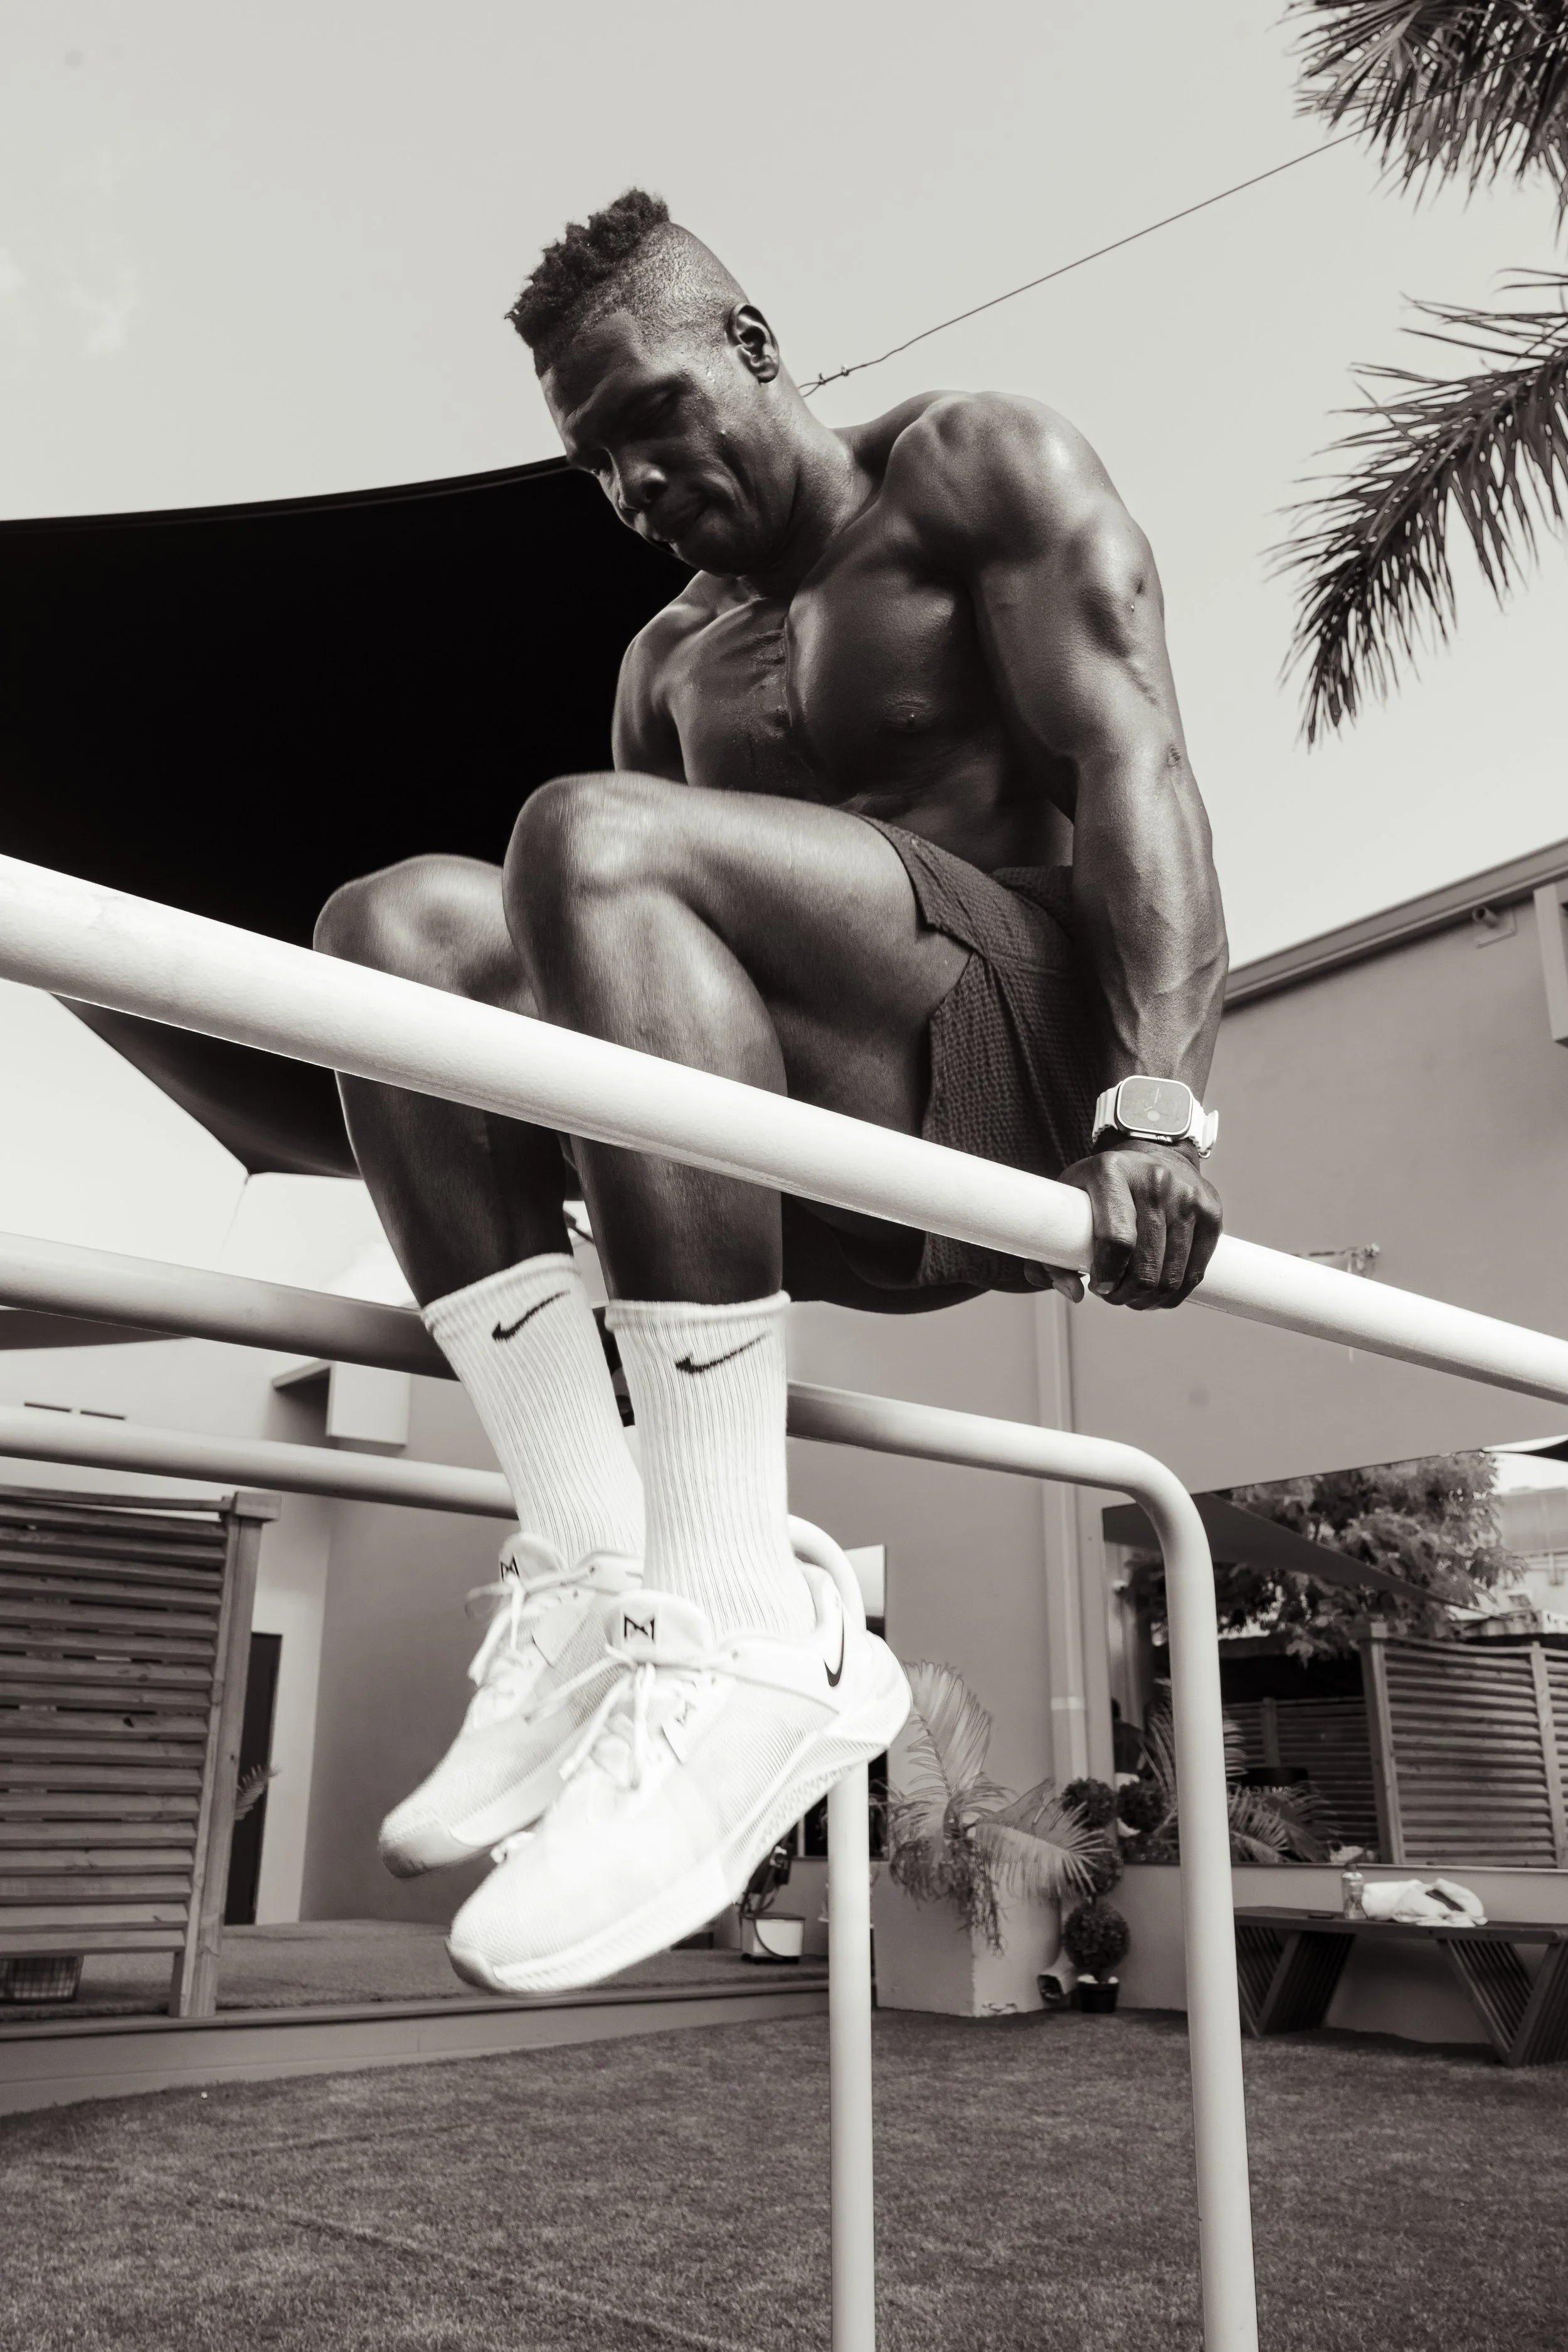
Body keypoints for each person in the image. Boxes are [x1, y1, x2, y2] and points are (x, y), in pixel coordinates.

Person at [314, 189, 1227, 1994]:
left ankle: (741, 1622)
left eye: (649, 419)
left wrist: (1157, 1099)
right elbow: (616, 996)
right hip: (830, 1163)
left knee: (582, 837)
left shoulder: (973, 470)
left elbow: (1137, 759)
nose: (631, 484)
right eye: (591, 463)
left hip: (1025, 1064)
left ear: (751, 348)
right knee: (393, 933)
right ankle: (597, 1561)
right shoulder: (666, 663)